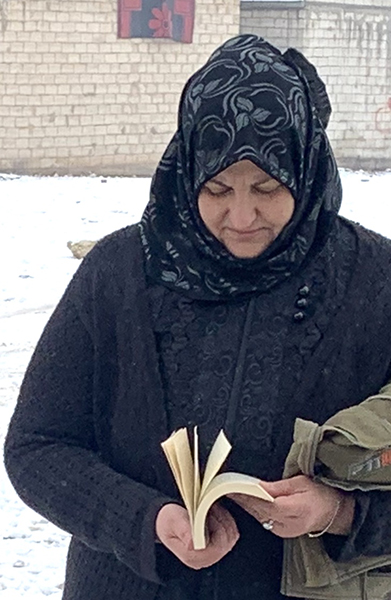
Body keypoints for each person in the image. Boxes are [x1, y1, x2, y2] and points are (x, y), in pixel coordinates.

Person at [4, 34, 391, 600]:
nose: (241, 217)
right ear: (186, 171)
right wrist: (142, 521)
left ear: (306, 168)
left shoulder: (374, 281)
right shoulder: (119, 273)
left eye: (267, 187)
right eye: (216, 188)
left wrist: (342, 512)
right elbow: (37, 447)